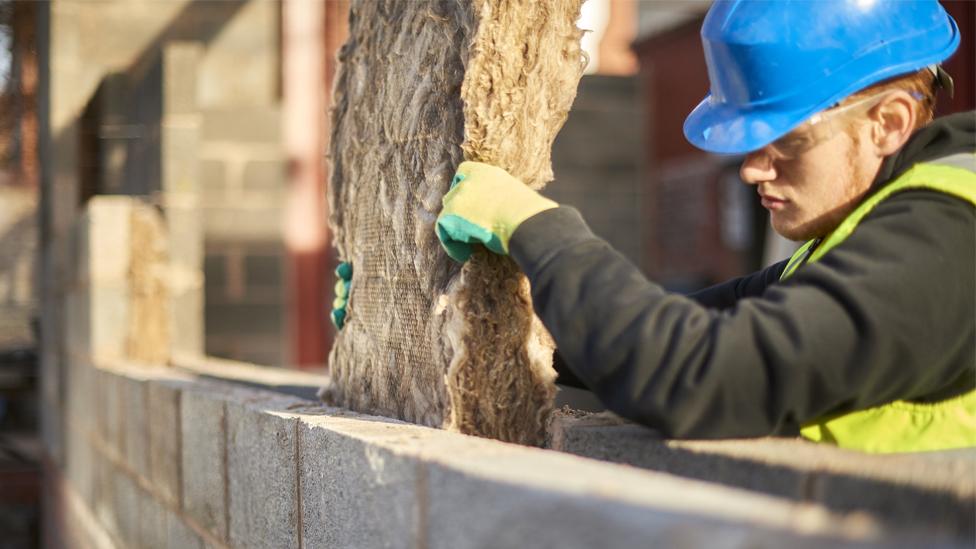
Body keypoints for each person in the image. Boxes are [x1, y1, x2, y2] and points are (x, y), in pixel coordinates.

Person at [434, 0, 975, 453]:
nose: (752, 169)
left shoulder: (951, 244)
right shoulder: (864, 232)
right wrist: (450, 317)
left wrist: (540, 231)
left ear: (888, 123)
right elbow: (677, 329)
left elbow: (695, 374)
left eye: (785, 139)